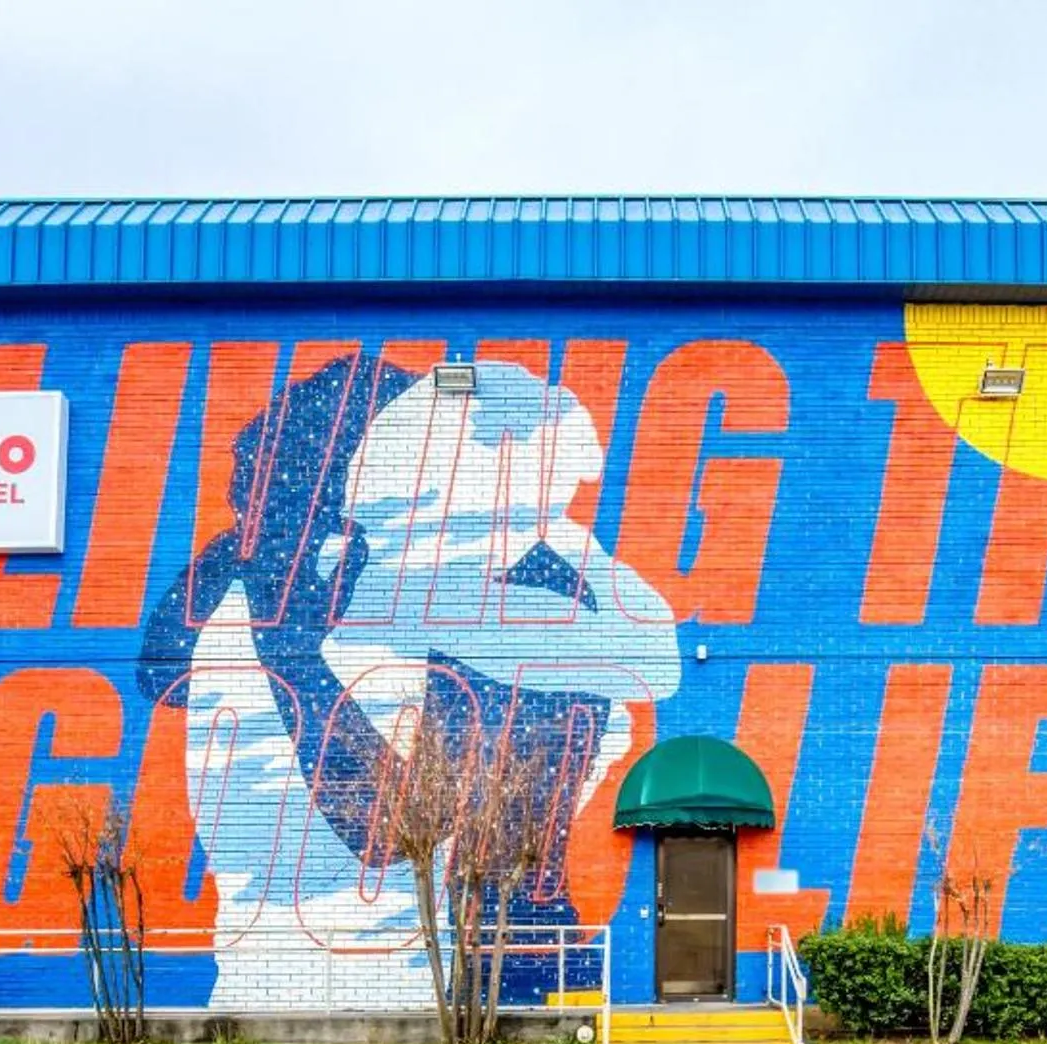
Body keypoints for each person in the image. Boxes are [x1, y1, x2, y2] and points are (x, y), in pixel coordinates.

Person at [139, 352, 682, 1007]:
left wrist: (295, 654)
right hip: (300, 985)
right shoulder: (270, 596)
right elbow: (157, 673)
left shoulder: (524, 603)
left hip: (457, 985)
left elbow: (399, 834)